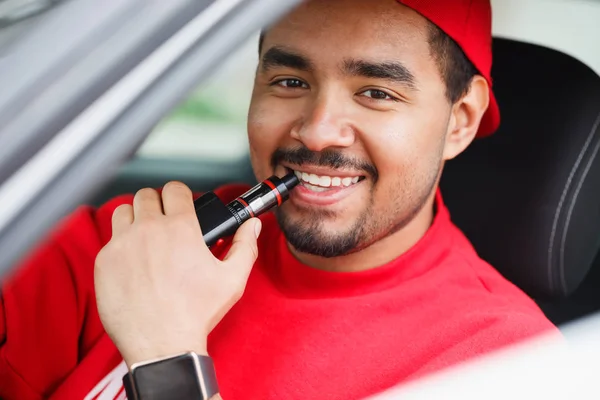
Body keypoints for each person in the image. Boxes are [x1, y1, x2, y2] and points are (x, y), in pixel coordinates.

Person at [0, 0, 560, 399]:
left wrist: (167, 358)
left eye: (375, 92)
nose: (317, 132)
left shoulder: (505, 363)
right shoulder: (142, 243)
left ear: (460, 121)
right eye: (290, 81)